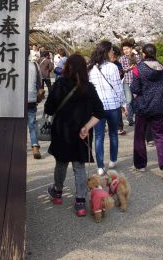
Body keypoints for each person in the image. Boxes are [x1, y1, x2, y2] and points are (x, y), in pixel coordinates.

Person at [46, 54, 105, 217]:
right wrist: (86, 127)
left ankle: (57, 193)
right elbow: (99, 112)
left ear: (67, 67)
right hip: (82, 134)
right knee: (79, 167)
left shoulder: (59, 85)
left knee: (61, 163)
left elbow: (48, 109)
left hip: (61, 132)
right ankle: (80, 202)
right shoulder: (89, 88)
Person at [130, 43, 163, 179]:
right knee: (160, 136)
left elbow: (135, 89)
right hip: (158, 107)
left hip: (142, 107)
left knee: (139, 136)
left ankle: (140, 165)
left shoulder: (138, 69)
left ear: (144, 54)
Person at [88, 40, 127, 176]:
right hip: (113, 105)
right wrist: (123, 104)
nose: (112, 52)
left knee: (98, 136)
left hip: (97, 108)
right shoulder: (113, 67)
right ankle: (112, 160)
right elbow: (118, 87)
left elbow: (89, 90)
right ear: (106, 52)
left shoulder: (90, 68)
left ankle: (100, 166)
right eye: (111, 50)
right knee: (113, 134)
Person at [27, 55, 43, 159]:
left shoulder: (14, 64)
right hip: (31, 98)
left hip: (16, 99)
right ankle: (35, 147)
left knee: (18, 124)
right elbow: (40, 81)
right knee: (32, 123)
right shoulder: (34, 65)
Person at [110, 45, 127, 136]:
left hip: (116, 89)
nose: (114, 58)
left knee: (118, 109)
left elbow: (121, 75)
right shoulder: (102, 65)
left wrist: (121, 74)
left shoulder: (117, 64)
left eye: (116, 56)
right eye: (113, 56)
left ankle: (119, 127)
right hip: (106, 91)